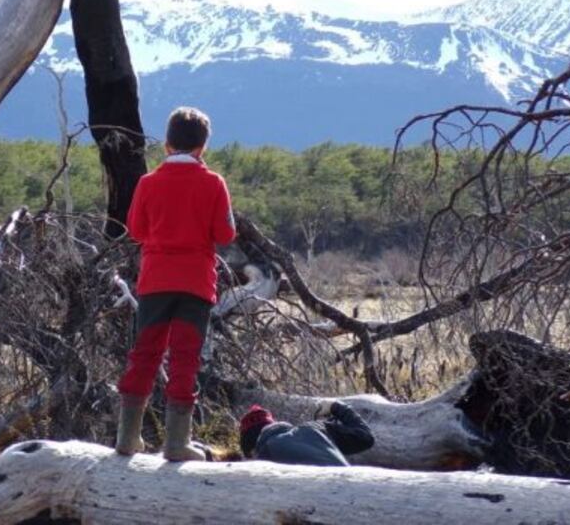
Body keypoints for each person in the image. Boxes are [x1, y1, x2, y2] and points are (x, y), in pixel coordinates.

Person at [115, 106, 236, 461]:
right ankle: (176, 443)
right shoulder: (214, 183)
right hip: (196, 284)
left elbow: (136, 231)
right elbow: (225, 234)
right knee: (185, 358)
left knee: (144, 355)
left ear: (167, 144)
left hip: (155, 282)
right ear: (203, 148)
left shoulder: (148, 183)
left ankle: (127, 438)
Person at [239, 401, 375, 466]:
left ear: (251, 451)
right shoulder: (316, 428)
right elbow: (366, 438)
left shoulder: (264, 458)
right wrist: (336, 407)